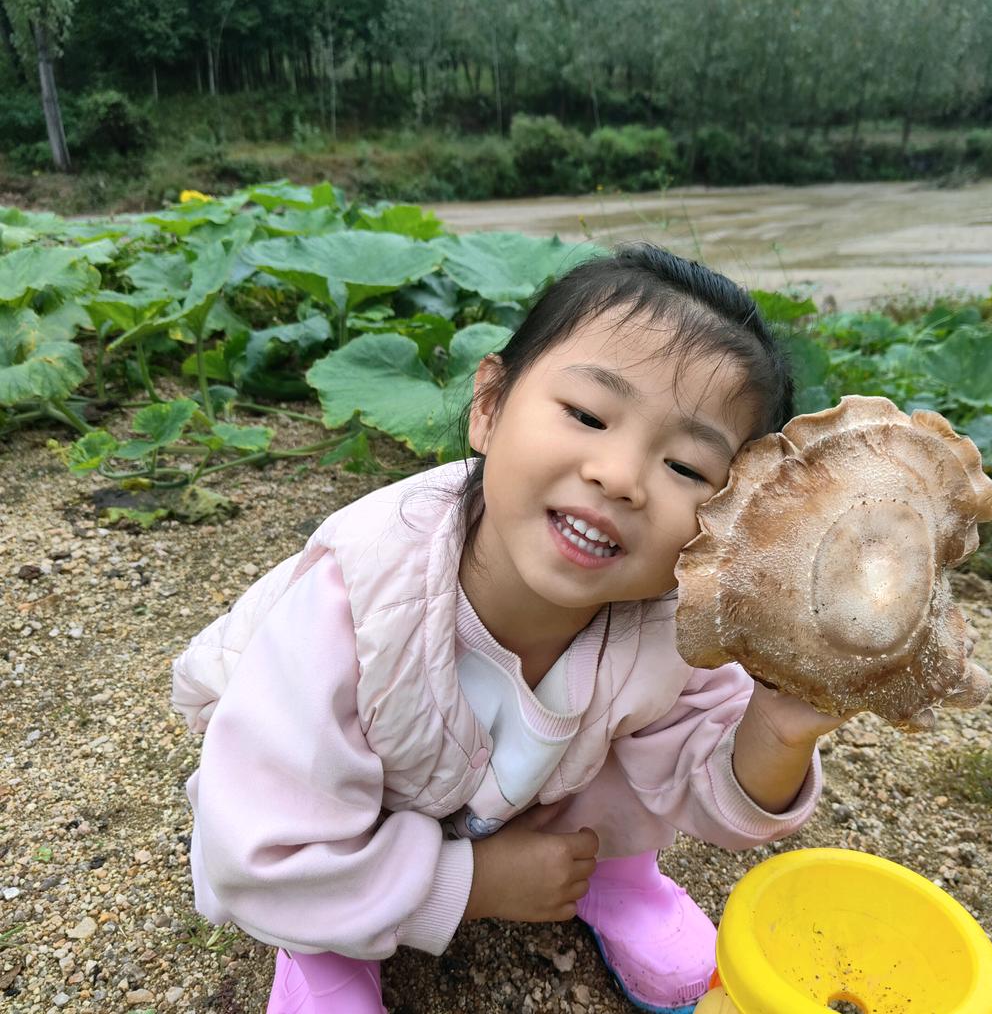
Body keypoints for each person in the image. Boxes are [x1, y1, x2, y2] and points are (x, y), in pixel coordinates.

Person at [172, 245, 848, 1014]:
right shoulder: (352, 608)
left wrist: (778, 729)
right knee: (306, 851)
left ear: (726, 522)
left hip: (515, 787)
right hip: (331, 794)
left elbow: (706, 777)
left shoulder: (675, 618)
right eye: (587, 416)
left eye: (687, 468)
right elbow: (252, 857)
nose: (619, 477)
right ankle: (325, 945)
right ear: (489, 406)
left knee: (630, 722)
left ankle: (614, 873)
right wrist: (472, 884)